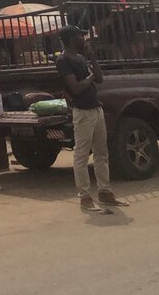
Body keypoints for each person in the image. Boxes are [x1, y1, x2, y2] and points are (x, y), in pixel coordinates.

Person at [55, 25, 128, 210]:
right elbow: (76, 87)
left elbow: (100, 79)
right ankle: (85, 197)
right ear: (71, 39)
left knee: (101, 153)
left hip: (96, 109)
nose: (83, 38)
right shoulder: (63, 60)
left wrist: (92, 58)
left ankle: (105, 191)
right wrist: (90, 76)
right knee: (81, 154)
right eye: (80, 36)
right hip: (82, 111)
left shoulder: (81, 58)